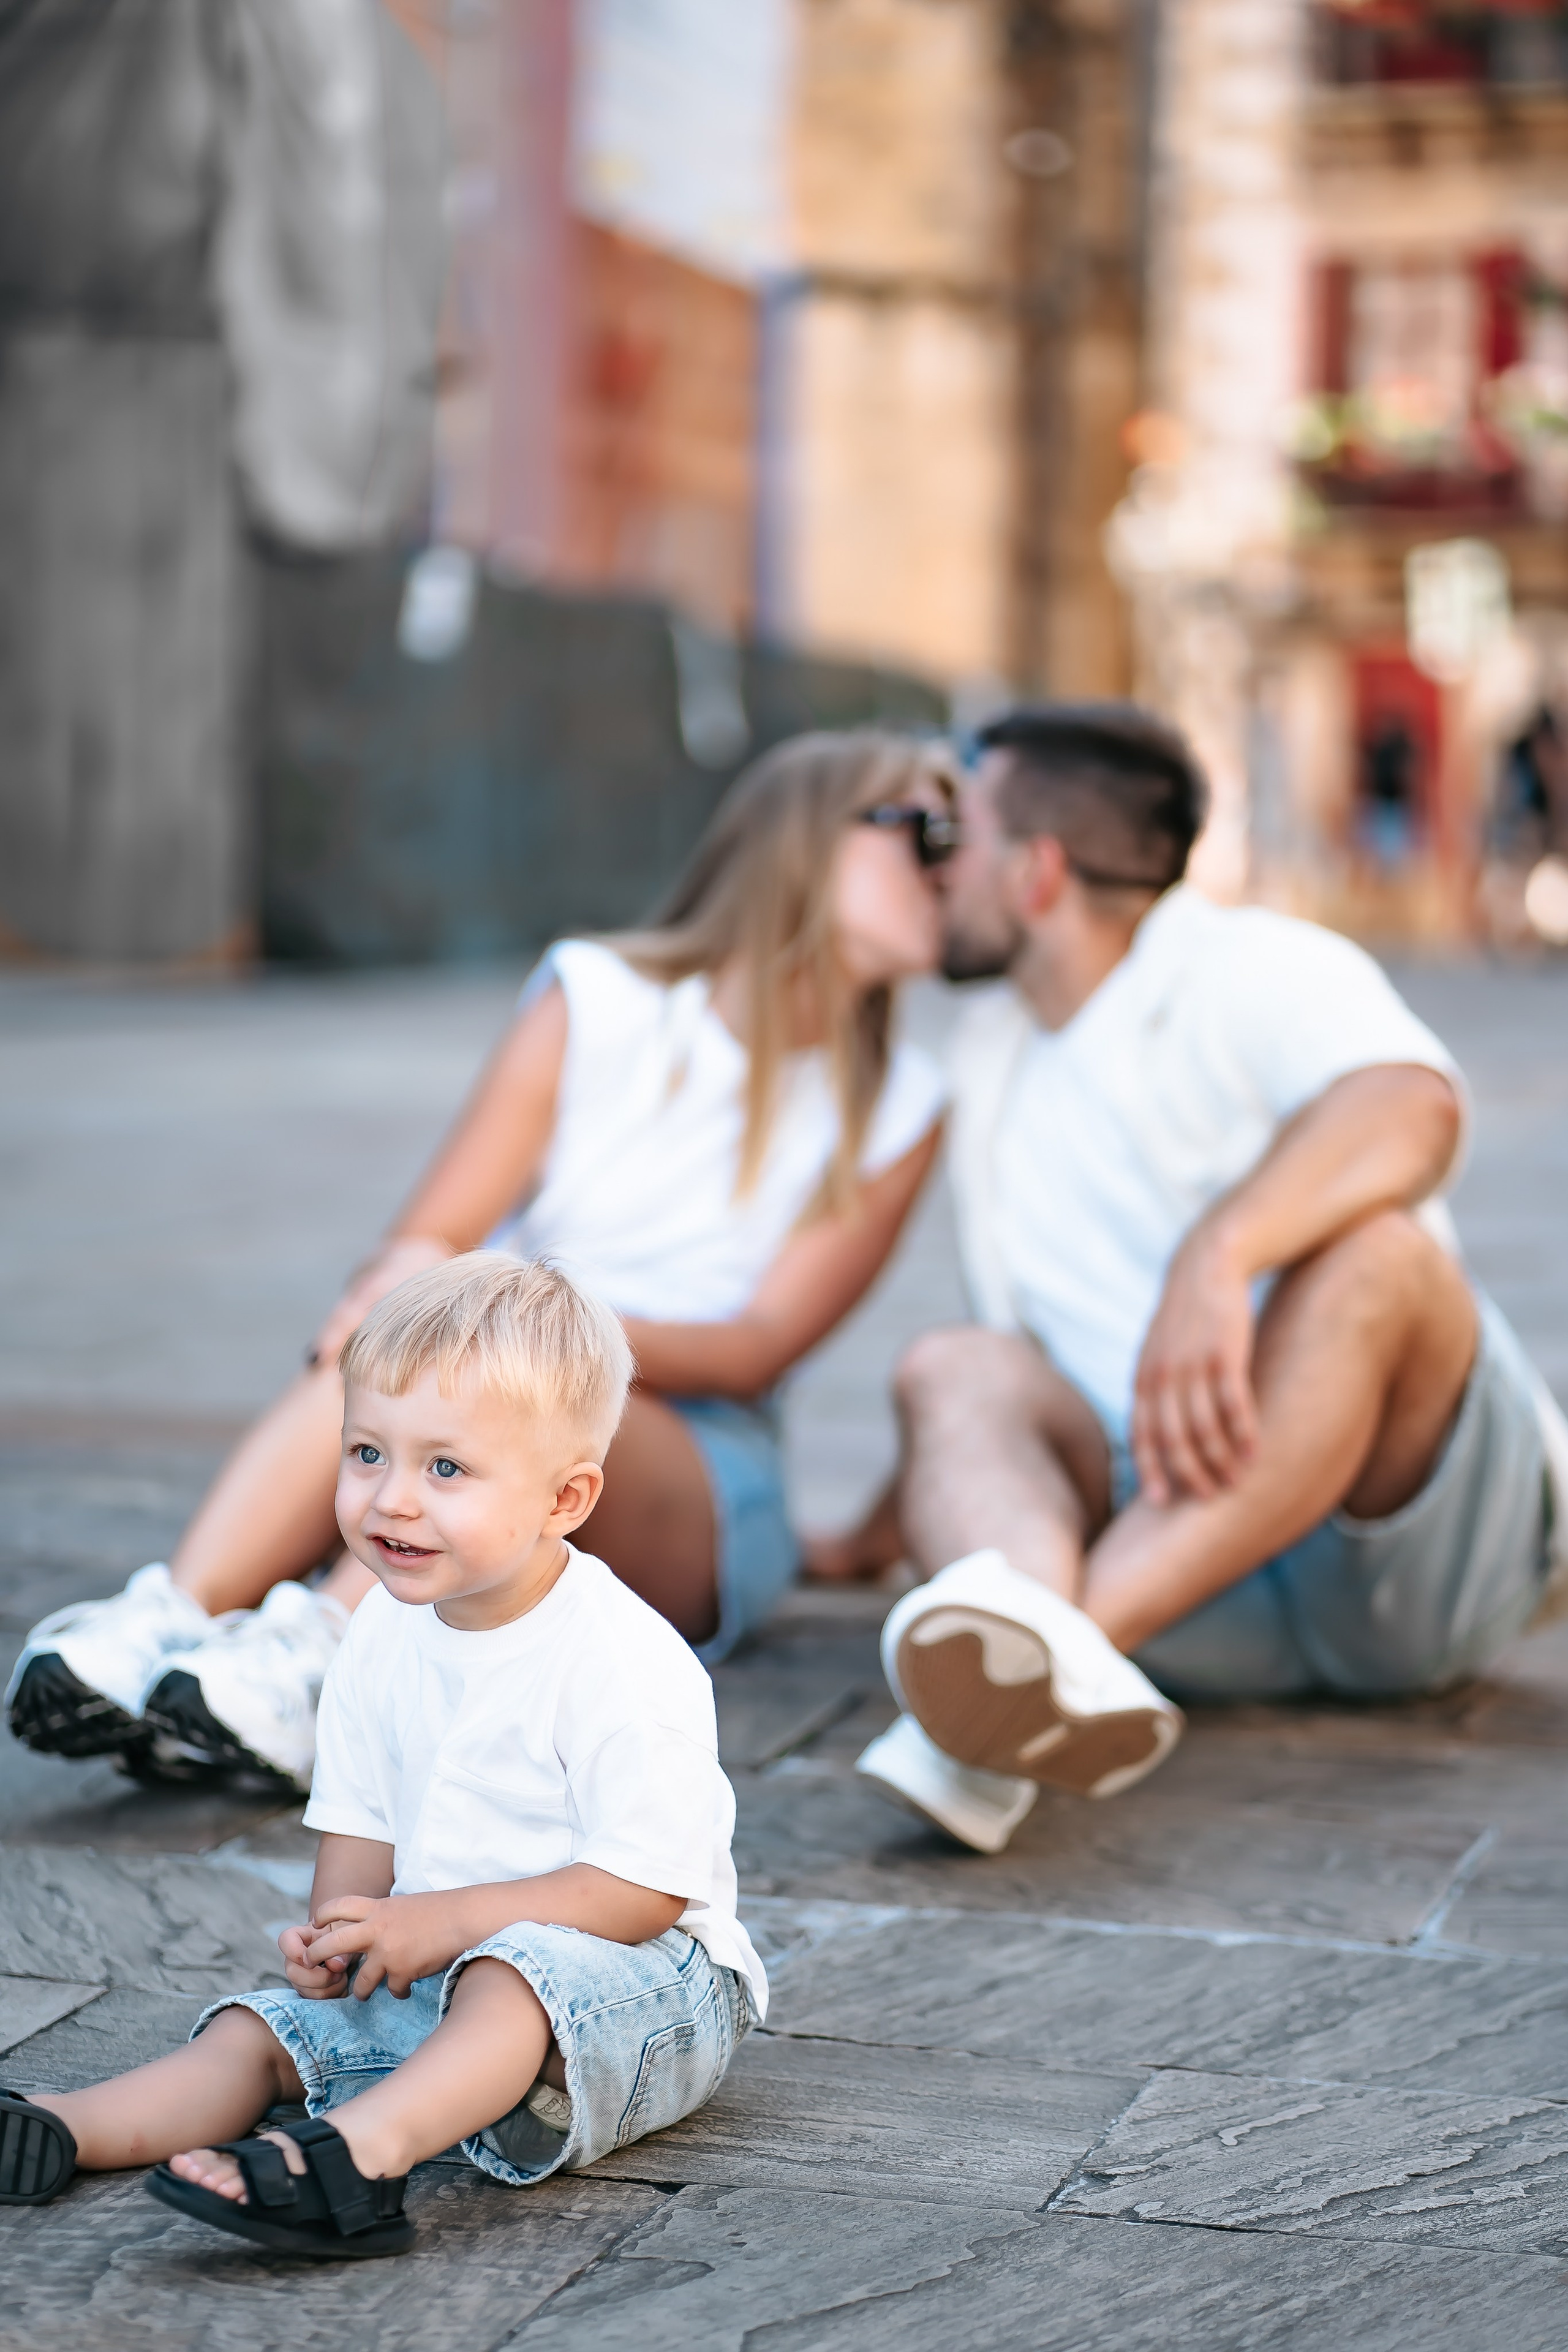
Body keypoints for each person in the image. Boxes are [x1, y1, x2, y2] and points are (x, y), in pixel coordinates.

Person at [7, 732, 954, 1789]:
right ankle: (170, 1620)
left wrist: (521, 1332)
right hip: (479, 1364)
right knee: (397, 1337)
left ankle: (319, 1660)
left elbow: (757, 1349)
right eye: (929, 831)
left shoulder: (904, 1102)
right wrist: (413, 1290)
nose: (954, 868)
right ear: (809, 837)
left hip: (696, 1464)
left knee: (473, 1366)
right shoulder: (598, 996)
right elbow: (437, 1228)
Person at [826, 703, 1568, 1855]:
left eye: (949, 837)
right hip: (1180, 1573)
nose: (932, 867)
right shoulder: (991, 1055)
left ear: (1036, 873)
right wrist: (873, 1533)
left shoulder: (1251, 963)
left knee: (1382, 1258)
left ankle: (1042, 1661)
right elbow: (1012, 1391)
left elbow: (1411, 1108)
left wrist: (1219, 1255)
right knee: (952, 1365)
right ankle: (1015, 1687)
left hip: (1396, 1566)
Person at [0, 1254, 766, 2255]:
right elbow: (359, 1824)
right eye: (368, 1453)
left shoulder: (620, 1658)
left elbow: (644, 1891)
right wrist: (344, 1935)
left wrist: (439, 1922)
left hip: (646, 1986)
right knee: (264, 2032)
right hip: (441, 1959)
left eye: (445, 1469)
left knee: (510, 1978)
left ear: (566, 1499)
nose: (391, 1501)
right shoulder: (376, 1635)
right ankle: (68, 2126)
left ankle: (356, 2163)